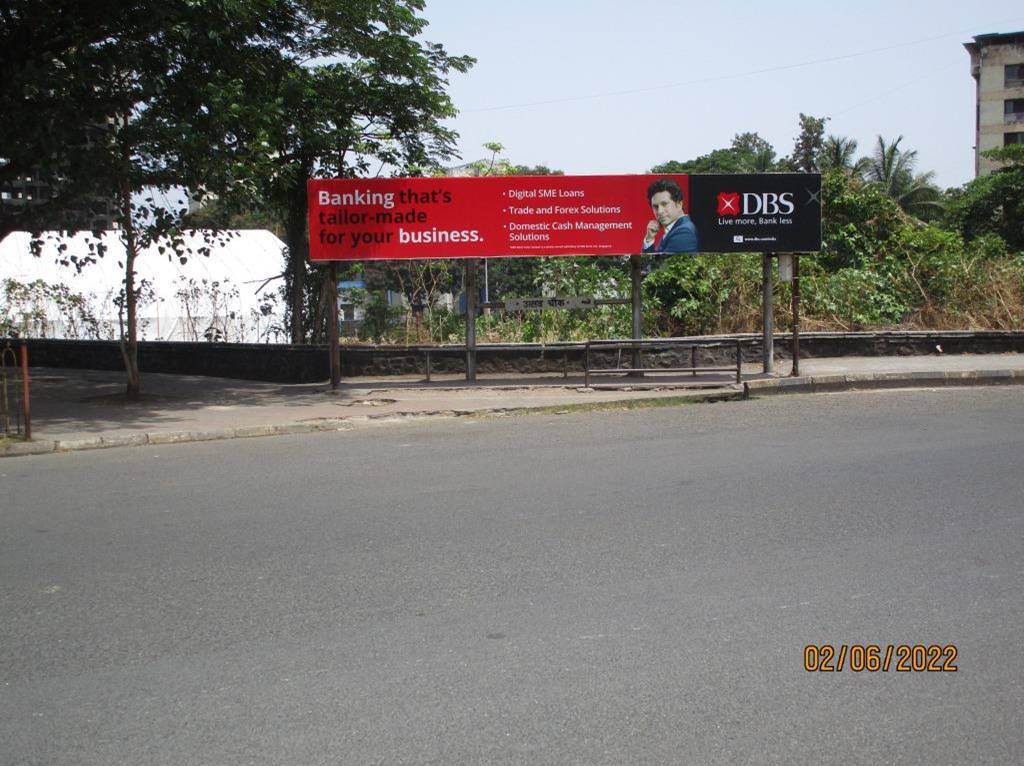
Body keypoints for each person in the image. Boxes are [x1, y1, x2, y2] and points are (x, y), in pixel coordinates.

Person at [642, 178, 699, 254]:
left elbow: (660, 262)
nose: (659, 211)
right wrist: (649, 238)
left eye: (664, 204)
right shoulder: (674, 229)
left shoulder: (683, 233)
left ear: (679, 204)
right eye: (655, 206)